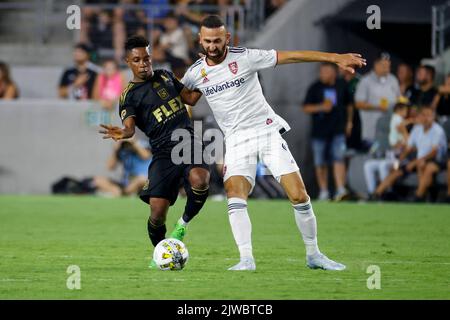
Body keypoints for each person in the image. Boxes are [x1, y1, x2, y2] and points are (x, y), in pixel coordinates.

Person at [179, 15, 366, 270]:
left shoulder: (245, 57)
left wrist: (335, 57)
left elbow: (292, 56)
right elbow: (187, 99)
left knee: (299, 196)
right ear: (200, 40)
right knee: (235, 194)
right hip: (236, 140)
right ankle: (246, 259)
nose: (212, 46)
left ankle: (314, 255)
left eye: (217, 40)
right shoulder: (196, 73)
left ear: (227, 39)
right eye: (208, 41)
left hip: (266, 132)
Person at [99, 35, 210, 268]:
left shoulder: (165, 75)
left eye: (147, 58)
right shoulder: (128, 96)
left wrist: (206, 76)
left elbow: (190, 98)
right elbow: (129, 128)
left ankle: (182, 225)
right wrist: (123, 133)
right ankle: (160, 254)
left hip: (186, 140)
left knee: (200, 179)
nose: (144, 64)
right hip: (161, 152)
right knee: (157, 213)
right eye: (137, 60)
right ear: (128, 62)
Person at [374, 105, 447, 201]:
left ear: (433, 117)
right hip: (418, 160)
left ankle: (419, 196)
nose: (426, 118)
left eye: (429, 115)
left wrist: (415, 162)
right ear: (420, 116)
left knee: (424, 166)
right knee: (397, 170)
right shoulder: (417, 129)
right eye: (424, 115)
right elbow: (408, 148)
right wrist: (398, 161)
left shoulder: (438, 130)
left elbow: (434, 152)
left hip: (436, 160)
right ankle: (377, 194)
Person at [303, 62, 352, 201]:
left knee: (339, 158)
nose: (322, 74)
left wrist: (349, 123)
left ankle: (340, 189)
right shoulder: (315, 87)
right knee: (320, 162)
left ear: (334, 72)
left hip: (338, 130)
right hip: (319, 131)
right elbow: (305, 108)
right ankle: (324, 191)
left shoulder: (342, 85)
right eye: (321, 71)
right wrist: (321, 107)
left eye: (326, 71)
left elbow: (349, 105)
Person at [354, 52, 400, 144]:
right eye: (383, 65)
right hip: (372, 131)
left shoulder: (393, 79)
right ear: (376, 65)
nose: (386, 68)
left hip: (391, 131)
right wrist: (378, 107)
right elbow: (358, 104)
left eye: (388, 65)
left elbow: (398, 99)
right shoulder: (365, 81)